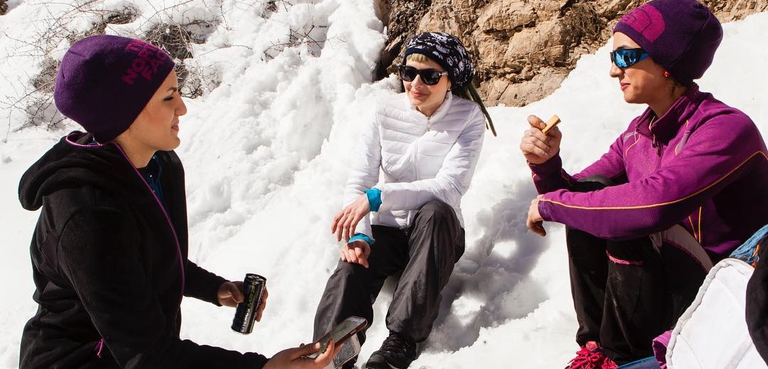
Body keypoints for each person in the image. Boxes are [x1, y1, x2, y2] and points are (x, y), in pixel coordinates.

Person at [18, 35, 337, 369]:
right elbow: (149, 355)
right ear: (124, 114)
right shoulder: (87, 214)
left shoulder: (160, 165)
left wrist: (213, 287)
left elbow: (148, 260)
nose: (182, 108)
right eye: (169, 97)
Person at [520, 0, 768, 368]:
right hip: (672, 291)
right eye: (612, 58)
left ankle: (619, 356)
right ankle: (596, 351)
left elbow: (652, 207)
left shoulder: (725, 129)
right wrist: (547, 167)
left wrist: (553, 203)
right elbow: (576, 197)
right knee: (592, 201)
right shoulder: (638, 134)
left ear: (668, 60)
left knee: (630, 215)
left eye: (626, 57)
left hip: (729, 301)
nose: (613, 71)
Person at [313, 32, 494, 369]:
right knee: (352, 268)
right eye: (408, 73)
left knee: (437, 211)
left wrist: (380, 196)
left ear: (450, 79)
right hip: (388, 230)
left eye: (429, 76)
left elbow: (449, 187)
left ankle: (401, 342)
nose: (415, 83)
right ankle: (331, 357)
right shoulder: (384, 112)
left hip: (437, 233)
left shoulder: (468, 118)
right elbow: (359, 182)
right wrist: (360, 236)